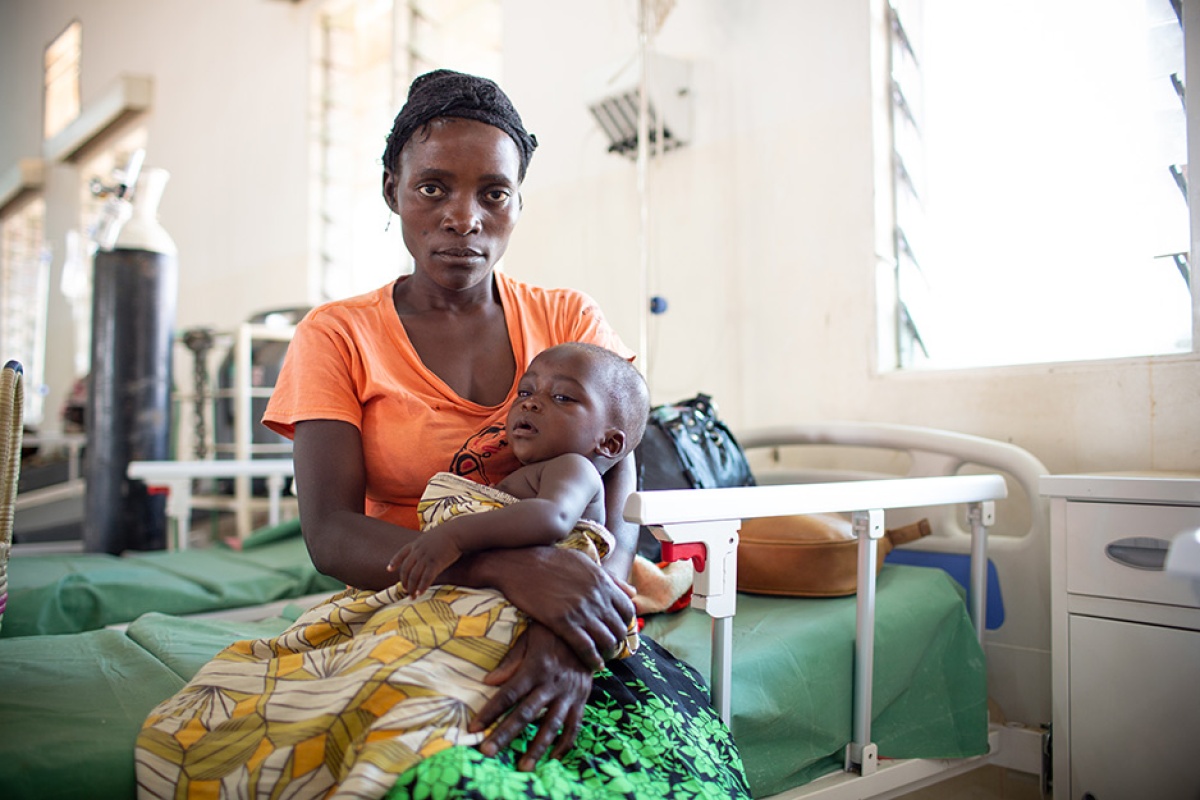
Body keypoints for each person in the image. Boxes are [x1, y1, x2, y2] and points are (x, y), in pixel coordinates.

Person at [135, 69, 749, 800]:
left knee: (654, 764)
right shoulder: (338, 336)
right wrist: (504, 568)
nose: (465, 216)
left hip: (570, 607)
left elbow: (615, 505)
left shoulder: (569, 325)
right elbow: (331, 533)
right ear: (392, 187)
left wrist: (573, 632)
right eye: (433, 188)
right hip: (416, 595)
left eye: (494, 192)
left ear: (518, 201)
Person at [388, 342, 650, 607]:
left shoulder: (575, 468)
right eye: (525, 392)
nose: (531, 403)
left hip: (552, 598)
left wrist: (455, 535)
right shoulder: (541, 471)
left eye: (563, 397)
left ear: (608, 444)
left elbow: (553, 517)